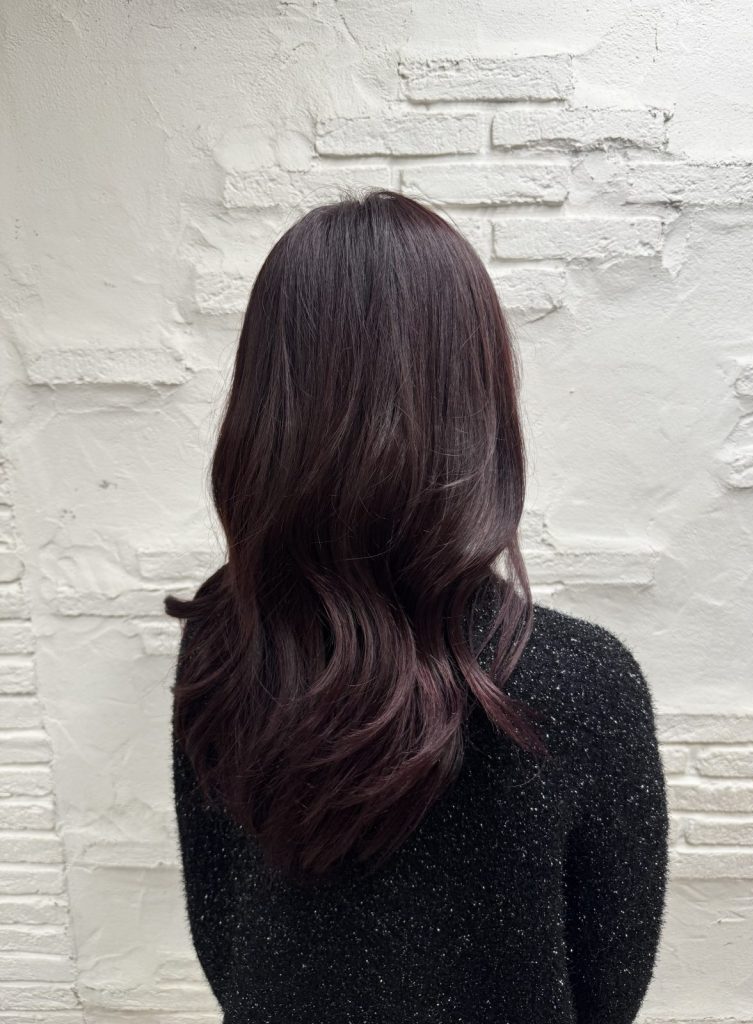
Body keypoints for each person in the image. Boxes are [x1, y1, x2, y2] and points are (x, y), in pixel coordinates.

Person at [165, 188, 669, 1024]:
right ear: (478, 399)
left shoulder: (224, 647)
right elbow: (609, 989)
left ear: (268, 407)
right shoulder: (585, 683)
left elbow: (225, 939)